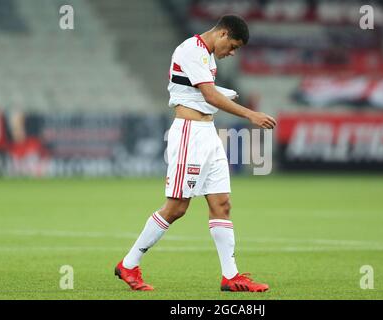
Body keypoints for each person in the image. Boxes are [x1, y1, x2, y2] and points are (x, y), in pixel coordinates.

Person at [115, 14, 276, 292]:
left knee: (222, 204)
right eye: (234, 45)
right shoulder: (191, 49)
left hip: (208, 134)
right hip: (189, 133)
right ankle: (129, 264)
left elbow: (197, 91)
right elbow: (210, 97)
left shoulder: (207, 57)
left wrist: (225, 92)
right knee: (177, 207)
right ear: (223, 34)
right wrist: (250, 114)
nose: (233, 52)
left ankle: (231, 276)